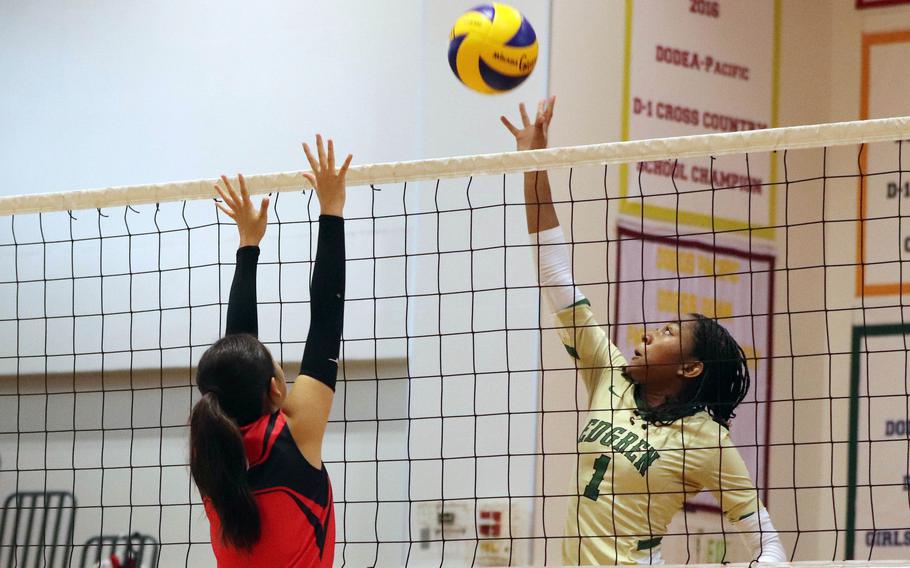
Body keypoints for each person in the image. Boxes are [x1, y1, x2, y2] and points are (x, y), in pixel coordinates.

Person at [501, 97, 786, 565]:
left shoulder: (706, 439)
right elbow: (555, 275)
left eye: (669, 332)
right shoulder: (607, 373)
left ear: (690, 366)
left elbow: (768, 544)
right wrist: (535, 163)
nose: (650, 334)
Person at [188, 135, 351, 567]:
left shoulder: (213, 458)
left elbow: (243, 348)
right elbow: (326, 319)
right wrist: (331, 210)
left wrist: (249, 243)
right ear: (276, 389)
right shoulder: (295, 435)